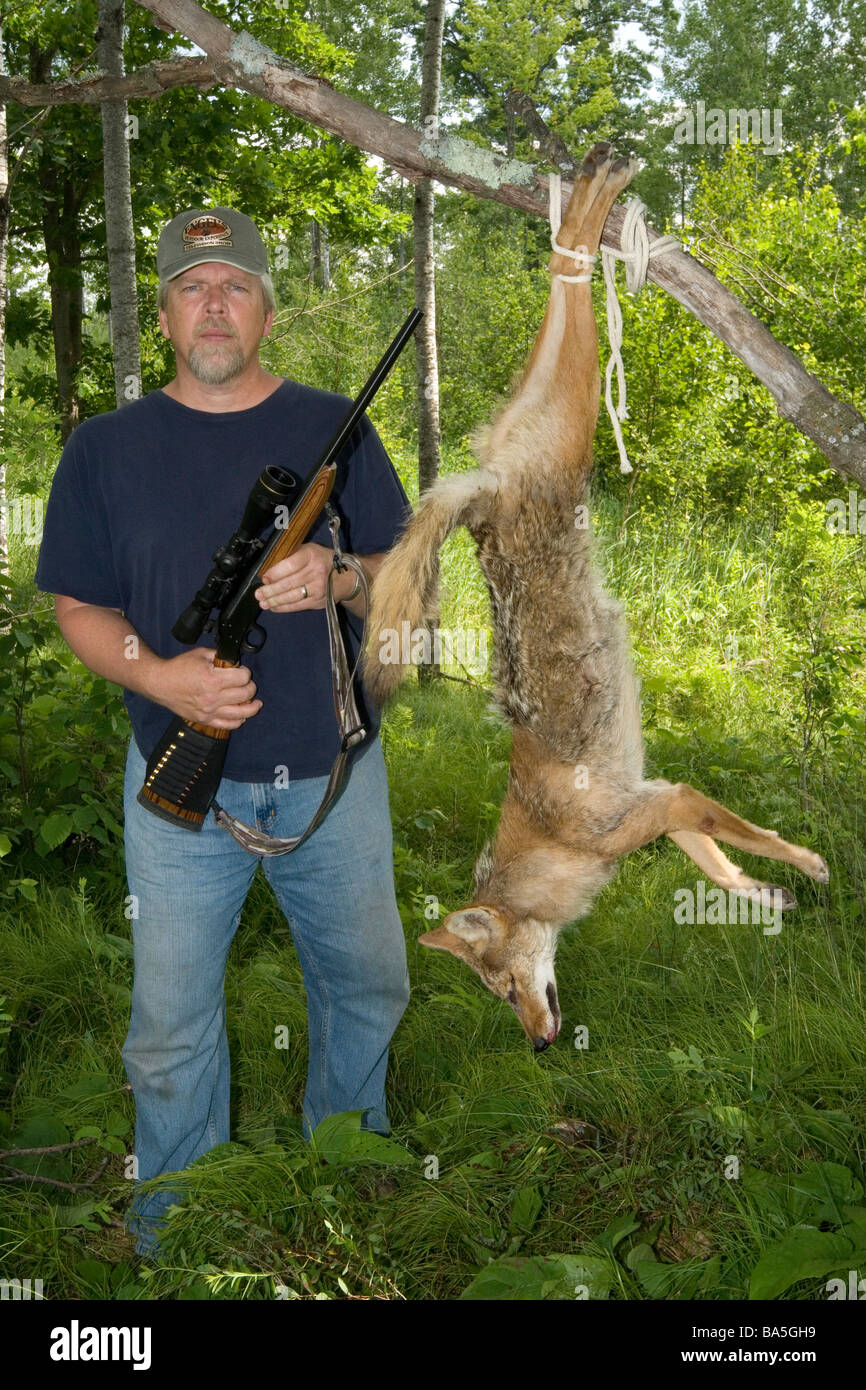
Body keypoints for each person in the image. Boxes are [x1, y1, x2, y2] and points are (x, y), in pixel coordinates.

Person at [34, 206, 412, 1257]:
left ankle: (347, 1175)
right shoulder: (104, 450)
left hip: (331, 777)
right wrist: (165, 678)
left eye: (234, 286)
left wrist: (335, 575)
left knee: (367, 984)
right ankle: (176, 1231)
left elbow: (403, 575)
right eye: (192, 287)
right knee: (167, 1027)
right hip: (174, 783)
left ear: (267, 312)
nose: (214, 304)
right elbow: (77, 605)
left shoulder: (336, 423)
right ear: (163, 314)